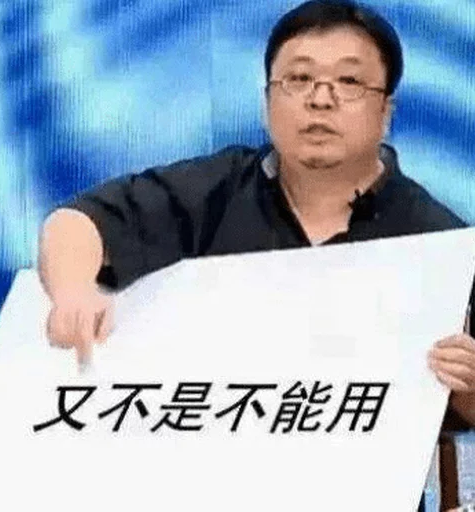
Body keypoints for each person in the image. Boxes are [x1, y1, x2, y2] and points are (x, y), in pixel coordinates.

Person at [39, 1, 475, 507]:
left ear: (386, 112)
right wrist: (73, 291)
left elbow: (462, 410)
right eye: (299, 78)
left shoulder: (438, 243)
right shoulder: (215, 191)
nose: (320, 99)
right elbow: (77, 223)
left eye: (349, 81)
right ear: (268, 102)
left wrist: (468, 386)